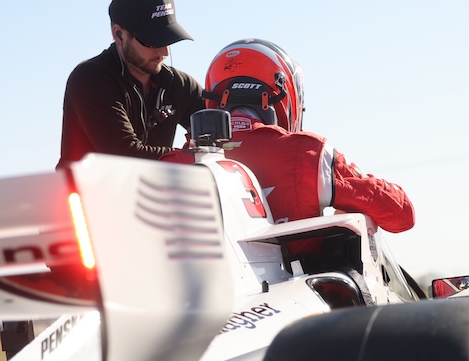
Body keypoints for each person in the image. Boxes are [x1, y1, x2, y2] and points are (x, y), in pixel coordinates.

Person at [163, 38, 415, 257]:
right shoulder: (307, 154)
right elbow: (402, 215)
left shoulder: (171, 164)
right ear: (285, 96)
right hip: (297, 293)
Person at [54, 0, 205, 168]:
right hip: (88, 184)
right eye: (153, 41)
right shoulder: (90, 79)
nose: (164, 52)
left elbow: (221, 131)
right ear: (119, 34)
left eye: (168, 38)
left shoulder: (179, 85)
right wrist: (189, 157)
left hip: (153, 185)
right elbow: (124, 156)